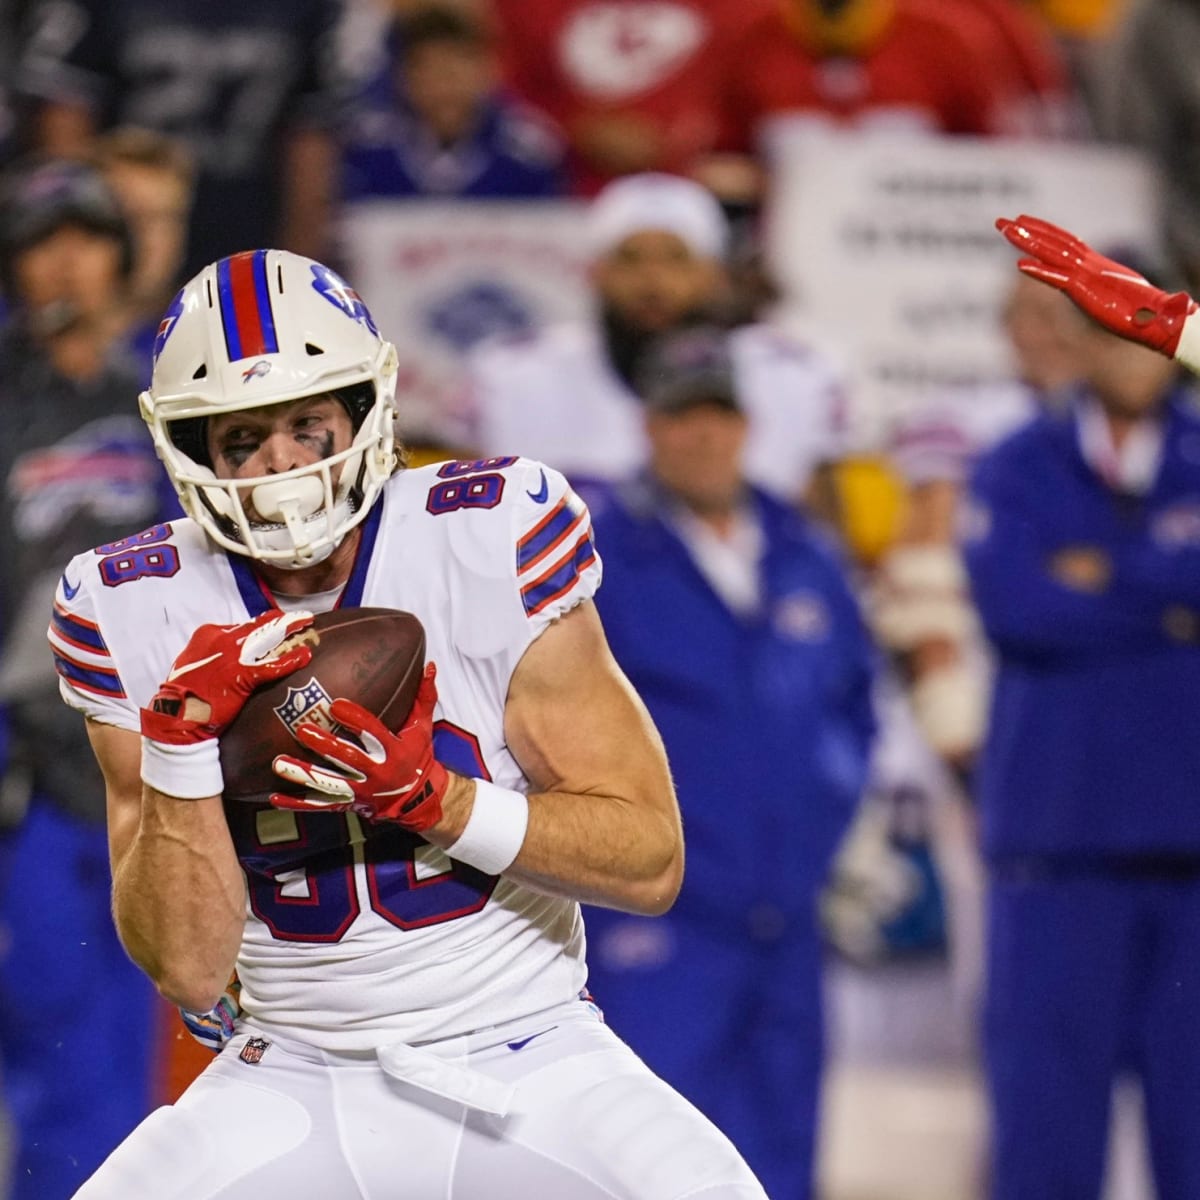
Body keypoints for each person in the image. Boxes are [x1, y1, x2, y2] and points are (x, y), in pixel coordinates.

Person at [51, 245, 769, 1199]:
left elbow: (649, 860)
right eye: (241, 440)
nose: (282, 467)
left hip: (529, 1051)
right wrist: (181, 744)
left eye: (306, 426)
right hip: (292, 1063)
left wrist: (436, 799)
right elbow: (187, 968)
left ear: (364, 407)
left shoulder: (487, 531)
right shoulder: (131, 604)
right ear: (188, 450)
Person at [581, 326, 877, 1200]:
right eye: (682, 417)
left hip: (785, 915)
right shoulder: (603, 560)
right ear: (649, 428)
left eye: (718, 414)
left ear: (746, 425)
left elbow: (854, 705)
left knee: (783, 1151)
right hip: (661, 920)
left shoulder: (805, 550)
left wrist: (825, 819)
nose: (702, 436)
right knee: (648, 1154)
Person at [962, 237, 1200, 1199]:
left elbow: (1057, 603)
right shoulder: (1016, 461)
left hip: (1191, 851)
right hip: (1057, 846)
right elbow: (1016, 608)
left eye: (1145, 331)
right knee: (1045, 1127)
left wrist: (1101, 575)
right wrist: (1173, 599)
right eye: (1108, 330)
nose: (1126, 354)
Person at [0, 154, 177, 1198]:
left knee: (140, 1045)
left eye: (87, 239)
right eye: (42, 242)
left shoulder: (162, 398)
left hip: (153, 762)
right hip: (28, 776)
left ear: (119, 258)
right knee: (52, 1038)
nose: (66, 262)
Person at [468, 171, 850, 515]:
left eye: (676, 259)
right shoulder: (513, 374)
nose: (653, 281)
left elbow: (829, 541)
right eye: (630, 259)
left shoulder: (795, 375)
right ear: (596, 273)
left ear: (714, 274)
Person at [873, 270, 1088, 771]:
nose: (1056, 331)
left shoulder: (1146, 431)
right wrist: (948, 704)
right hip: (991, 679)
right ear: (1007, 327)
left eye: (1073, 316)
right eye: (1036, 315)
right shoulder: (962, 419)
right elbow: (926, 569)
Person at [15, 0, 352, 274]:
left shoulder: (310, 9)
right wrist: (79, 243)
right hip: (128, 218)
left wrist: (294, 270)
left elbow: (310, 150)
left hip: (246, 225)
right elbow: (65, 131)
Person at [341, 4, 567, 201]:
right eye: (431, 73)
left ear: (486, 74)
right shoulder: (366, 150)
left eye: (454, 74)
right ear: (404, 78)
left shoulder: (529, 155)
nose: (445, 89)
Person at [91, 126, 195, 377]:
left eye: (165, 218)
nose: (147, 237)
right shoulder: (18, 341)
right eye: (130, 216)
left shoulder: (203, 345)